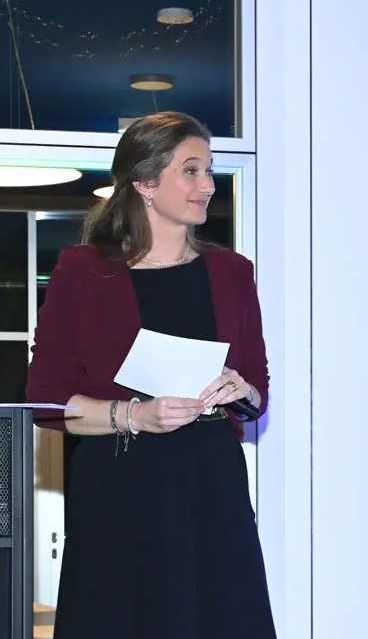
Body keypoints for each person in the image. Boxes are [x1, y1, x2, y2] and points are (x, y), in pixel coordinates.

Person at [26, 111, 277, 639]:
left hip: (211, 485)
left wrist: (242, 389)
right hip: (119, 487)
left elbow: (258, 391)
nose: (208, 185)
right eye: (191, 170)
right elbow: (46, 400)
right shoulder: (81, 271)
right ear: (144, 182)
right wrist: (135, 415)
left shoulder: (233, 272)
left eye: (209, 171)